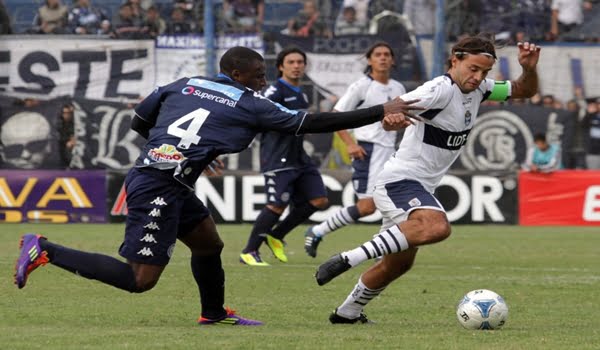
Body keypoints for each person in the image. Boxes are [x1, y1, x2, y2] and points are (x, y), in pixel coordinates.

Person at [14, 46, 421, 326]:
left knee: (209, 244)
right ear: (237, 74)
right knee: (140, 280)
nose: (263, 81)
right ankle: (44, 248)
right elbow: (309, 123)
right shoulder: (250, 102)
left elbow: (141, 121)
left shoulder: (184, 84)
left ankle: (213, 313)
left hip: (166, 179)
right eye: (258, 75)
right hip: (157, 187)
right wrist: (379, 111)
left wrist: (181, 151)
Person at [314, 35, 541, 324]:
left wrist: (529, 68)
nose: (478, 77)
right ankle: (350, 257)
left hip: (420, 185)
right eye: (473, 69)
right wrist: (390, 121)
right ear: (455, 60)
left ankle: (347, 313)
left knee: (398, 265)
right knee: (437, 227)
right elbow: (391, 110)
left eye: (484, 72)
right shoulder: (437, 90)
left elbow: (524, 89)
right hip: (399, 180)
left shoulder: (481, 89)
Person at [304, 42, 407, 258]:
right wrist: (351, 144)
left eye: (387, 54)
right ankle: (318, 230)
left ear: (393, 60)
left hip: (390, 152)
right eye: (377, 54)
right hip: (368, 151)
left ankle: (383, 251)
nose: (383, 58)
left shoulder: (398, 87)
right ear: (369, 60)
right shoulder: (361, 86)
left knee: (391, 200)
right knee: (368, 206)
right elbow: (336, 115)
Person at [239, 47, 326, 266]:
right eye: (291, 62)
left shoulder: (302, 93)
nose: (296, 66)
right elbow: (260, 116)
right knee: (277, 205)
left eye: (300, 62)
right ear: (280, 67)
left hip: (299, 157)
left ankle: (276, 236)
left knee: (319, 200)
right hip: (279, 157)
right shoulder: (274, 91)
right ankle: (249, 251)